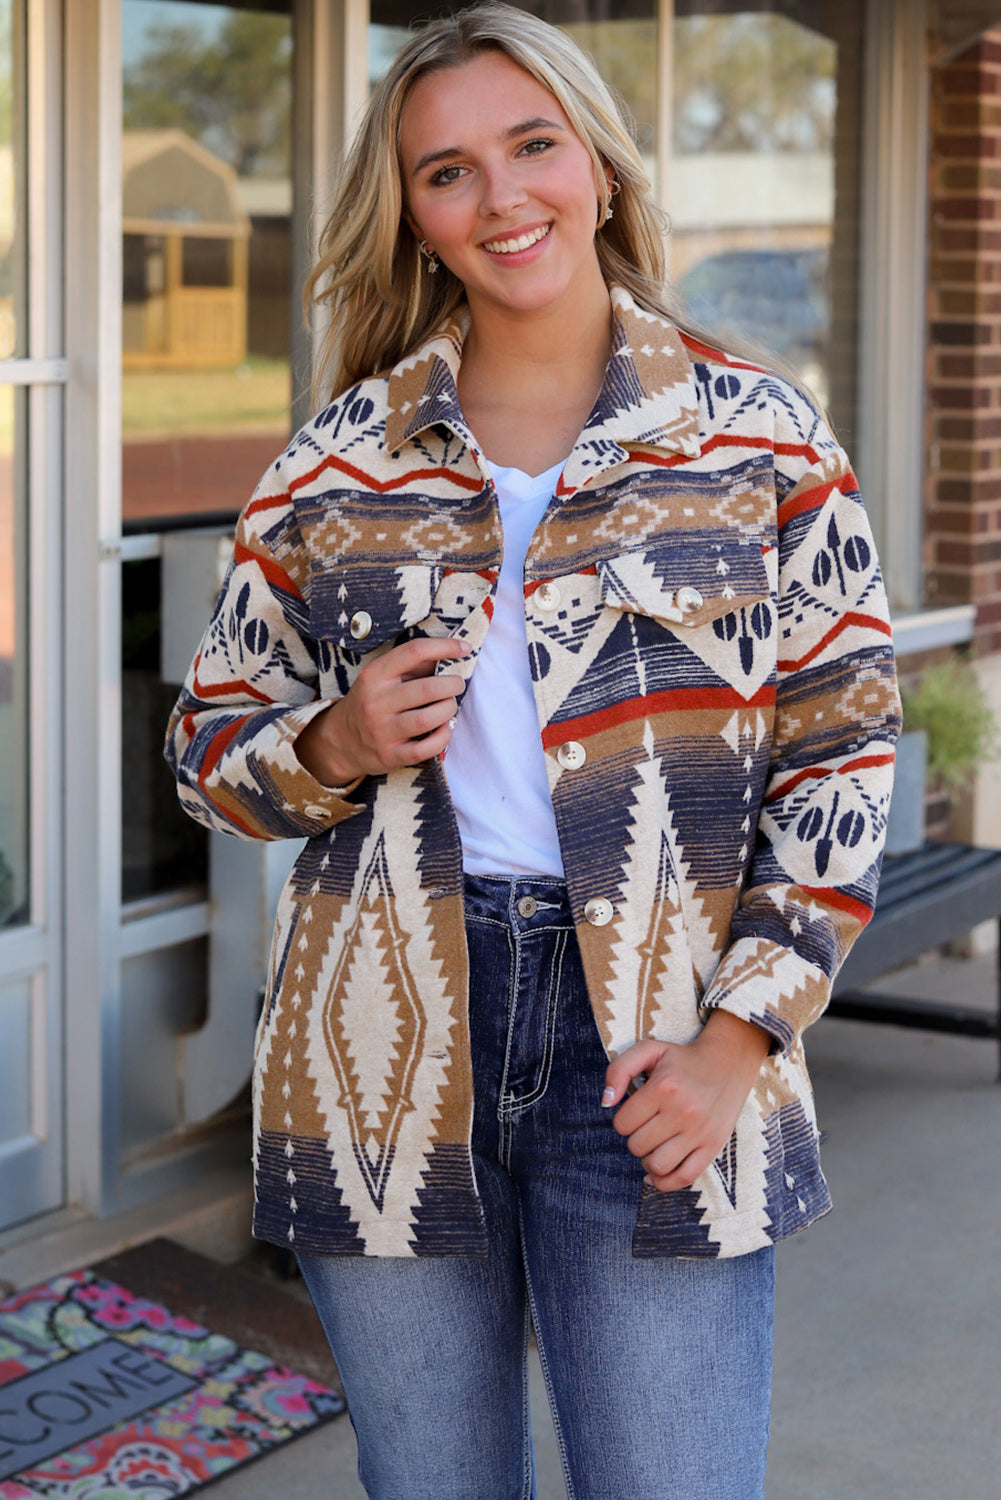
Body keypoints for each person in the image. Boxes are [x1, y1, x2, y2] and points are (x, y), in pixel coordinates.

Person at [165, 5, 900, 1496]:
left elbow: (843, 754)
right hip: (380, 1045)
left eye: (531, 147)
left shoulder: (758, 442)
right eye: (447, 172)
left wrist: (736, 1037)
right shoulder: (337, 461)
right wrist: (335, 735)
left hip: (651, 1041)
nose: (501, 199)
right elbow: (205, 746)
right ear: (416, 217)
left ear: (602, 170)